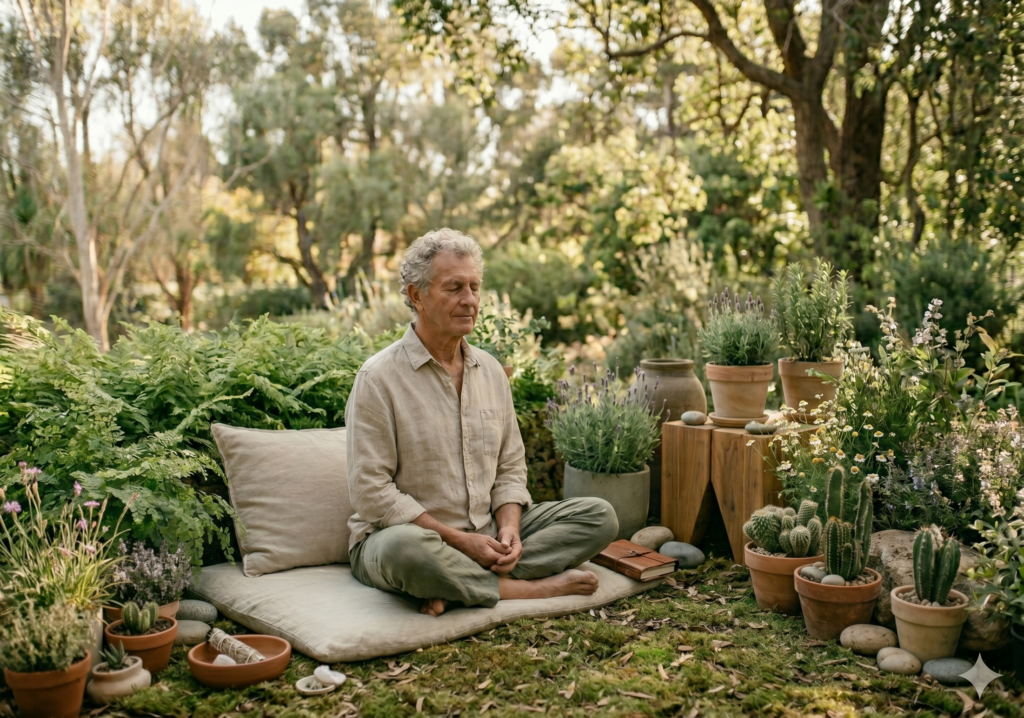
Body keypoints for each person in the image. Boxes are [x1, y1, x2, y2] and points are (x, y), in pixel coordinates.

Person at [346, 228, 618, 617]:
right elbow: (371, 492)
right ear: (415, 295)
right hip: (406, 539)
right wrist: (458, 541)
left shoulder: (490, 371)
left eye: (474, 286)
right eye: (454, 287)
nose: (469, 300)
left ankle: (454, 585)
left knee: (599, 516)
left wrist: (510, 529)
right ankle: (527, 589)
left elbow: (510, 467)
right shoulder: (377, 378)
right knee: (403, 552)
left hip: (485, 533)